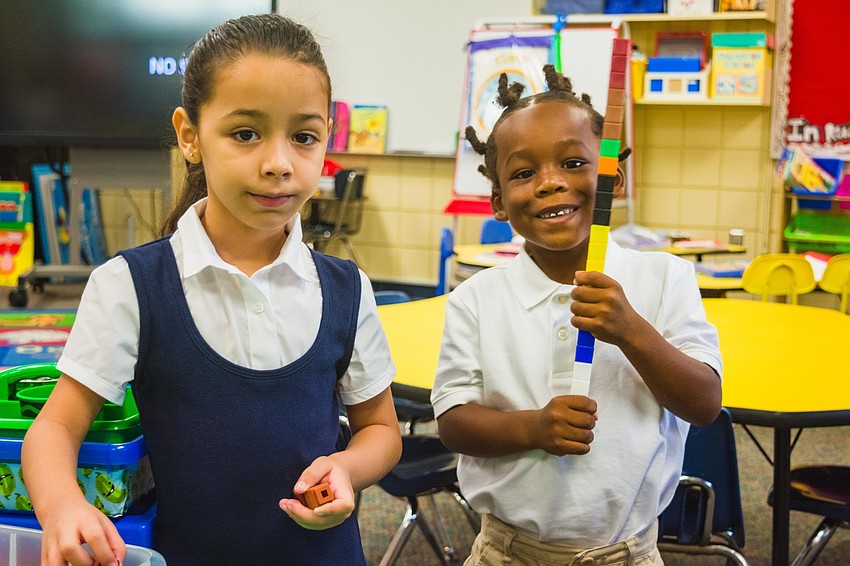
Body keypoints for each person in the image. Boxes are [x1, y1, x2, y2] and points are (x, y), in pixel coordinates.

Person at [22, 13, 401, 566]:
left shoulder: (346, 289)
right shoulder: (132, 286)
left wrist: (347, 467)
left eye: (304, 137)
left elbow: (381, 430)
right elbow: (52, 429)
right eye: (245, 133)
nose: (278, 164)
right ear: (190, 135)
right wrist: (61, 507)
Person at [430, 65, 722, 565]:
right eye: (524, 173)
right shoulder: (474, 298)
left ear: (613, 178)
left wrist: (629, 329)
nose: (549, 184)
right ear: (498, 201)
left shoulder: (664, 278)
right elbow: (454, 422)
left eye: (572, 163)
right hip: (508, 552)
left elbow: (704, 403)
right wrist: (533, 428)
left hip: (628, 553)